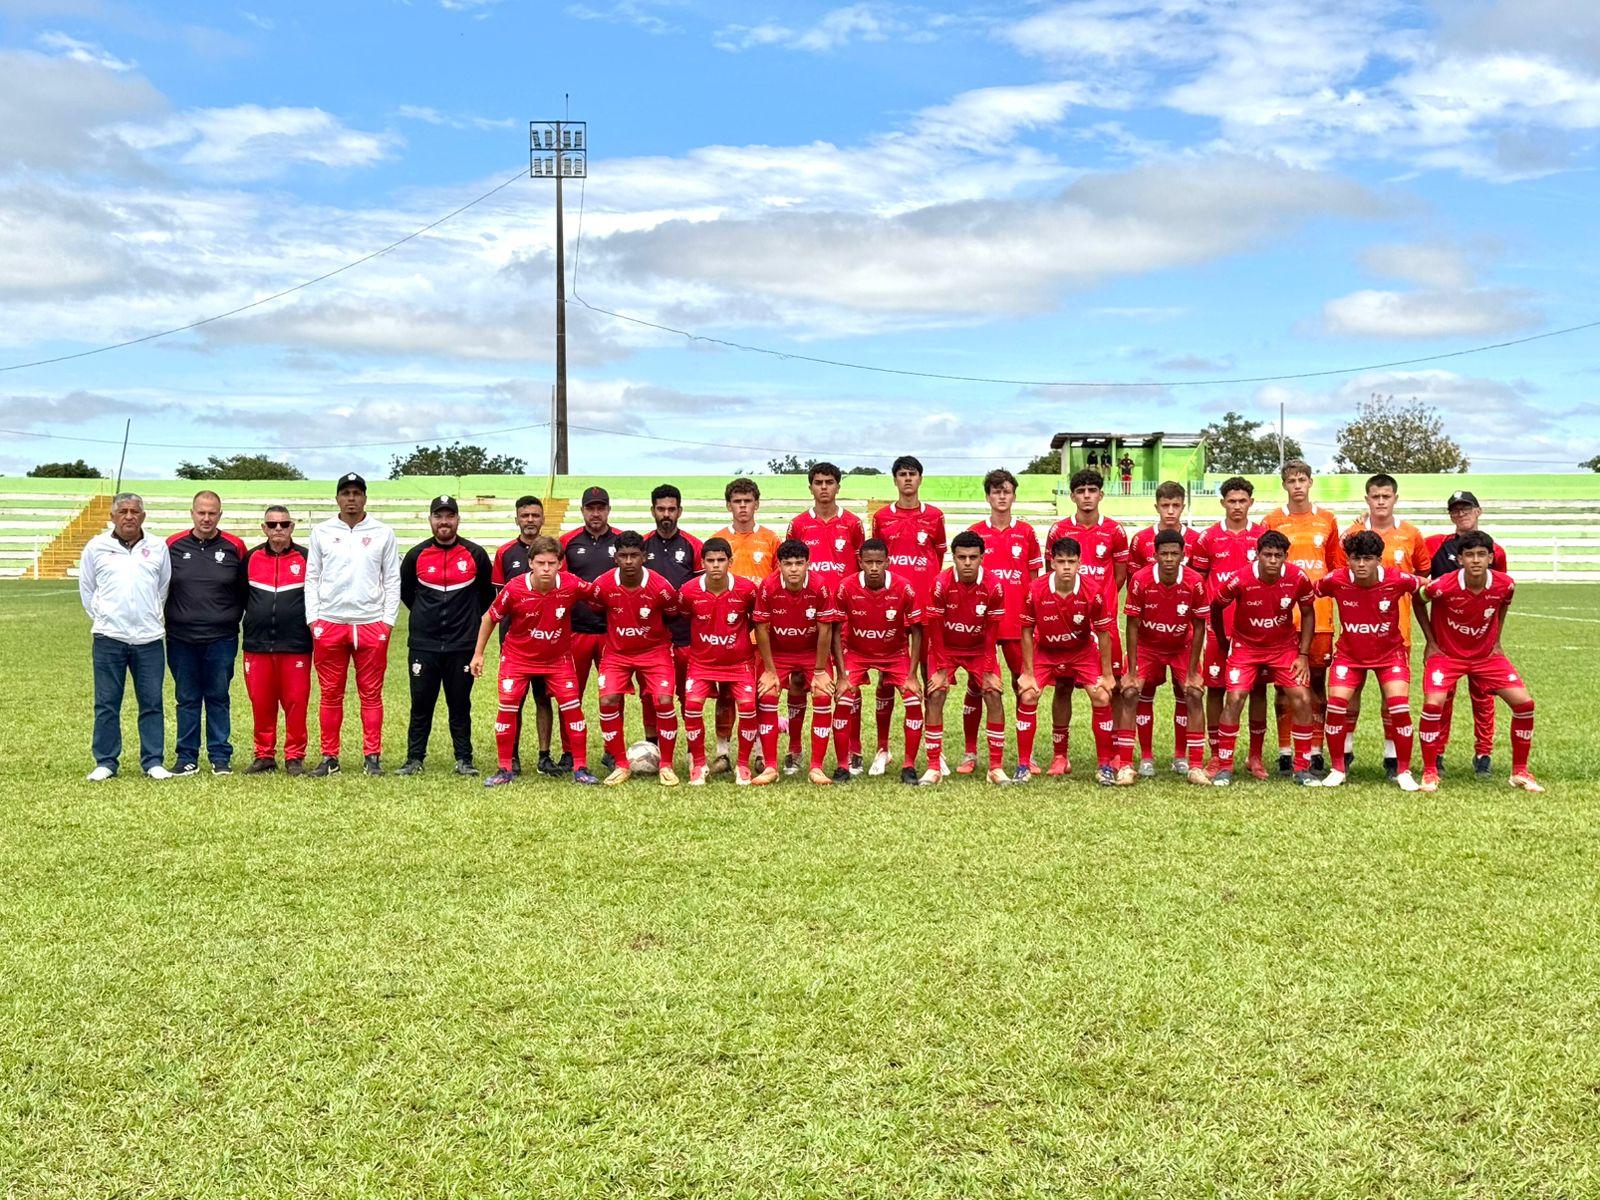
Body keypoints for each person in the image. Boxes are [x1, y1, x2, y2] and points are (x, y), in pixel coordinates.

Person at [1414, 531, 1540, 793]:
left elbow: (1503, 605)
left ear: (1491, 558)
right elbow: (1418, 600)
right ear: (1459, 559)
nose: (1475, 560)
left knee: (1524, 703)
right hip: (1447, 656)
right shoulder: (1441, 586)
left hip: (1485, 657)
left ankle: (1520, 771)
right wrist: (1431, 641)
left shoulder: (1505, 584)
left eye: (1481, 554)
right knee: (1433, 703)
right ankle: (1429, 772)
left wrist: (1496, 640)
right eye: (1469, 555)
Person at [471, 534, 600, 787]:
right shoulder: (515, 588)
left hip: (557, 659)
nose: (546, 569)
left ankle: (580, 768)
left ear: (560, 563)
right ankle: (504, 769)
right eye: (540, 563)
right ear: (530, 562)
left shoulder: (571, 584)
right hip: (517, 658)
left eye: (551, 563)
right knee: (507, 707)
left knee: (572, 707)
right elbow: (489, 618)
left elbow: (600, 593)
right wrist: (478, 654)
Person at [304, 472, 401, 777]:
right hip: (330, 623)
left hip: (371, 624)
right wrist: (314, 620)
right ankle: (329, 757)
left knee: (371, 694)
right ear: (337, 498)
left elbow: (392, 579)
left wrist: (387, 622)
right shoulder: (321, 532)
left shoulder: (383, 532)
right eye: (345, 493)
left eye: (357, 493)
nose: (351, 498)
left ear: (365, 498)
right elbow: (312, 577)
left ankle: (372, 756)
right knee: (330, 694)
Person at [1208, 530, 1320, 787]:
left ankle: (1302, 768)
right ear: (1257, 554)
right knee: (1234, 698)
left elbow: (1308, 613)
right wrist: (1225, 641)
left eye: (1277, 556)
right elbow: (1216, 605)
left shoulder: (1297, 577)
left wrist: (1303, 654)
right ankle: (1225, 766)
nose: (1272, 560)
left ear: (1285, 557)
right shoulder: (1240, 579)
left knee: (1302, 697)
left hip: (1283, 648)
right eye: (1267, 555)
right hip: (1245, 648)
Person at [1313, 530, 1423, 791]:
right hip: (1349, 656)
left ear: (1378, 560)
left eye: (1368, 558)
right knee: (1338, 705)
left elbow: (1430, 589)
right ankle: (1338, 768)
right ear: (1348, 560)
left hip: (1389, 655)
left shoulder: (1397, 579)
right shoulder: (1336, 580)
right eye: (1356, 558)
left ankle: (1403, 771)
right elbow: (1307, 594)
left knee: (1398, 706)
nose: (1362, 564)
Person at [1340, 473, 1431, 778]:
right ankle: (1346, 752)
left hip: (1396, 632)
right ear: (1366, 499)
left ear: (1395, 498)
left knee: (1393, 698)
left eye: (1386, 496)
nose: (1380, 502)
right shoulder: (1351, 533)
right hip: (1355, 633)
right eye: (1375, 496)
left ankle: (1393, 758)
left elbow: (1423, 576)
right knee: (1350, 697)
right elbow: (1341, 578)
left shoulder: (1411, 534)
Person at [80, 492, 174, 780]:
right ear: (112, 516)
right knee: (107, 702)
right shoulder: (96, 547)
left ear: (143, 516)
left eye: (135, 511)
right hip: (109, 638)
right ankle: (106, 762)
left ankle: (153, 761)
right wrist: (106, 618)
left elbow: (163, 587)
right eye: (123, 511)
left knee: (152, 702)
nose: (129, 516)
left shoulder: (158, 546)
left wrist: (148, 616)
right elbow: (87, 589)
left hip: (148, 639)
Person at [398, 495, 493, 777]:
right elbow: (407, 593)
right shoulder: (416, 555)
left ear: (457, 520)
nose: (444, 521)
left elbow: (487, 596)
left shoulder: (475, 554)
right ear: (430, 520)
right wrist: (426, 619)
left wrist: (465, 624)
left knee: (460, 704)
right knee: (421, 704)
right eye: (438, 516)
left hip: (461, 645)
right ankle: (414, 759)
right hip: (423, 645)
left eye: (449, 516)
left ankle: (464, 759)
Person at [1263, 460, 1345, 774]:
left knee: (1317, 686)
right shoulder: (1272, 520)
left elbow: (1336, 566)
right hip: (1282, 616)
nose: (1297, 486)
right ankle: (1285, 751)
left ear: (1311, 482)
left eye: (1302, 480)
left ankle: (1315, 750)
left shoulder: (1327, 520)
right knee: (1283, 688)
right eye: (1291, 481)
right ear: (1284, 485)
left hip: (1319, 615)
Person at [1045, 469, 1129, 774]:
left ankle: (1116, 752)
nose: (1087, 496)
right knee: (1063, 686)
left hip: (1101, 621)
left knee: (1114, 685)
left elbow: (1119, 575)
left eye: (1092, 490)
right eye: (1081, 491)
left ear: (1101, 494)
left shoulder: (1116, 532)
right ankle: (1060, 755)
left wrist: (1101, 600)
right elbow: (1049, 572)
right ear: (1073, 496)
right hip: (1066, 621)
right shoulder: (1058, 530)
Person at [1015, 537, 1117, 785]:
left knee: (1102, 695)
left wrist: (1107, 674)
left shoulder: (1093, 590)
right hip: (1046, 651)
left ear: (1080, 562)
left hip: (1081, 651)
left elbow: (1104, 633)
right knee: (1028, 694)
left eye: (1072, 561)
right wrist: (1027, 672)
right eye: (1061, 562)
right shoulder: (1036, 589)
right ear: (1052, 563)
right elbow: (1027, 631)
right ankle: (1025, 765)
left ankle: (1104, 765)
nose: (1067, 567)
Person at [785, 462, 864, 773]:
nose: (824, 487)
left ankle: (854, 750)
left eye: (830, 482)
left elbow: (861, 568)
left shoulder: (854, 525)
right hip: (805, 617)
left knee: (847, 684)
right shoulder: (798, 524)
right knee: (797, 681)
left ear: (838, 486)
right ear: (810, 487)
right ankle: (794, 750)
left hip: (844, 617)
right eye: (818, 482)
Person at [962, 468, 1043, 775]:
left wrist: (1034, 620)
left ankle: (1028, 754)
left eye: (1006, 491)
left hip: (1016, 625)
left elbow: (1035, 581)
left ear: (1013, 495)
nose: (1001, 496)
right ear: (988, 496)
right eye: (996, 492)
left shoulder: (1026, 533)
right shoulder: (974, 533)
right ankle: (971, 753)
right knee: (977, 687)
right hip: (981, 625)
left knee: (1024, 685)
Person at [869, 455, 946, 776]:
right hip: (889, 612)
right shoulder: (882, 517)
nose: (908, 480)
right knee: (887, 679)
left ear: (921, 478)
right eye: (902, 474)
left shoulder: (935, 516)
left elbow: (939, 555)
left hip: (925, 612)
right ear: (895, 480)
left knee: (928, 678)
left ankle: (933, 749)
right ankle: (883, 749)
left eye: (912, 474)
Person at [1190, 478, 1270, 779]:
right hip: (1217, 629)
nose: (1237, 506)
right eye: (1231, 501)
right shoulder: (1207, 538)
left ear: (1251, 502)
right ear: (1222, 502)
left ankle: (1255, 756)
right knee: (1216, 688)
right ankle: (1215, 755)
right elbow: (1197, 582)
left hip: (1256, 631)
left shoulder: (1263, 537)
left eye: (1242, 500)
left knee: (1258, 690)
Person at [164, 490, 247, 775]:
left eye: (212, 513)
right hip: (180, 638)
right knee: (187, 698)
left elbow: (245, 590)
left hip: (222, 638)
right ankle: (186, 757)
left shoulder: (235, 546)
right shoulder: (172, 545)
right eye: (201, 512)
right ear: (192, 513)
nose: (206, 518)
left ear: (220, 515)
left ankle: (220, 756)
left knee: (218, 696)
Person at [1424, 490, 1507, 777]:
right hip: (1446, 640)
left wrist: (1496, 639)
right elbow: (1422, 584)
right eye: (1456, 510)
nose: (1461, 514)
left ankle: (1483, 754)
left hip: (1481, 640)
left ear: (1479, 511)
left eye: (1466, 508)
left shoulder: (1494, 550)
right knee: (1442, 697)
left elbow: (1500, 593)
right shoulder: (1434, 545)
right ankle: (1437, 753)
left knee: (1483, 696)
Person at [590, 530, 681, 786]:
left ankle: (667, 765)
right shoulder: (603, 585)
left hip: (655, 651)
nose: (629, 561)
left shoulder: (661, 587)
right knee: (607, 699)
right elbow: (596, 606)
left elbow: (672, 613)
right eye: (623, 556)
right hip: (617, 653)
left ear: (644, 557)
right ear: (615, 558)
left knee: (663, 700)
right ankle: (620, 764)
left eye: (634, 555)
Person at [1120, 529, 1211, 786]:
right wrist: (1133, 670)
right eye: (1164, 553)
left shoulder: (1194, 581)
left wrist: (1193, 671)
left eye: (1174, 553)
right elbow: (1132, 625)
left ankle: (1193, 764)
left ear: (1183, 554)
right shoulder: (1140, 580)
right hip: (1148, 646)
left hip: (1181, 646)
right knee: (1129, 692)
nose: (1169, 558)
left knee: (1193, 693)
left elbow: (1199, 625)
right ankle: (1131, 763)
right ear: (1155, 555)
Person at [832, 539, 925, 786]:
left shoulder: (904, 588)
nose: (874, 567)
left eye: (879, 562)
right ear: (860, 562)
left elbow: (917, 630)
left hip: (895, 654)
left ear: (887, 562)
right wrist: (841, 676)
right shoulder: (845, 588)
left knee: (914, 700)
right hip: (856, 653)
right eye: (868, 562)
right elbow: (835, 629)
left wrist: (913, 674)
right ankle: (843, 765)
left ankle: (909, 765)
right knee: (843, 699)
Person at [922, 530, 1009, 785]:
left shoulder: (994, 586)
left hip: (979, 650)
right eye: (962, 557)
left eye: (973, 557)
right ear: (954, 557)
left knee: (993, 693)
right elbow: (934, 629)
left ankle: (995, 767)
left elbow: (992, 631)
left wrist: (990, 668)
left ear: (982, 557)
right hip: (945, 649)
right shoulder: (940, 583)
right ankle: (933, 766)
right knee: (936, 693)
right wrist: (939, 669)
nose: (967, 563)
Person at [1125, 480, 1201, 771]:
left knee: (1187, 693)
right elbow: (1135, 581)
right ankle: (1145, 757)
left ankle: (1182, 756)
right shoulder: (1141, 539)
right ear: (1156, 506)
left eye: (1176, 505)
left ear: (1183, 506)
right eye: (1165, 505)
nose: (1170, 511)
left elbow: (1198, 582)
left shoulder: (1196, 539)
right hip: (1149, 634)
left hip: (1183, 631)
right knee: (1144, 692)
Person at [679, 537, 767, 785]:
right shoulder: (688, 591)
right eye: (710, 561)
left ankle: (742, 765)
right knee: (692, 706)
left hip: (739, 663)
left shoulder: (747, 589)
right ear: (702, 562)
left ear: (730, 561)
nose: (715, 565)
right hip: (701, 663)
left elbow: (756, 619)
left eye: (721, 560)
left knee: (748, 706)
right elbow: (686, 615)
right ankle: (698, 765)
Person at [753, 539, 840, 785]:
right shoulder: (768, 587)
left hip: (812, 653)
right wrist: (769, 670)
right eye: (788, 563)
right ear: (779, 564)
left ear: (807, 564)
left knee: (823, 695)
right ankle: (770, 766)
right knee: (768, 694)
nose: (793, 569)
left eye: (799, 563)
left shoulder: (820, 587)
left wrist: (821, 670)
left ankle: (817, 767)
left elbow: (826, 630)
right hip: (779, 653)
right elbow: (761, 628)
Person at [711, 477, 782, 771]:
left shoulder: (771, 540)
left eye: (748, 501)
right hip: (727, 633)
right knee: (726, 693)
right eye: (737, 502)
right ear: (729, 505)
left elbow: (777, 585)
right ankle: (723, 753)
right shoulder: (717, 540)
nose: (743, 507)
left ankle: (758, 752)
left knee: (757, 693)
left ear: (757, 504)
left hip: (759, 633)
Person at [490, 495, 561, 776]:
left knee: (544, 699)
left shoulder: (553, 553)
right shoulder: (505, 552)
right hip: (515, 642)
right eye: (525, 515)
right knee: (513, 701)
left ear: (543, 518)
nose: (530, 520)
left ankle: (544, 756)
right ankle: (513, 756)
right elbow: (497, 601)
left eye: (535, 515)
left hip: (547, 642)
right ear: (516, 518)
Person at [241, 505, 312, 775]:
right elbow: (241, 596)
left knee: (295, 703)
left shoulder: (307, 558)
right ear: (264, 528)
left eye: (284, 524)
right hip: (257, 645)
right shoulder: (251, 558)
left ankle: (295, 757)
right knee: (261, 702)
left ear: (292, 527)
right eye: (272, 525)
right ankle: (264, 755)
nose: (278, 529)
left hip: (295, 645)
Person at [643, 483, 704, 756]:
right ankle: (653, 749)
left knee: (687, 695)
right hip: (651, 637)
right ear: (653, 511)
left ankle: (693, 753)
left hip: (685, 635)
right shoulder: (641, 546)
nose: (666, 514)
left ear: (679, 511)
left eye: (671, 509)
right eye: (660, 509)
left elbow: (701, 591)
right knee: (651, 695)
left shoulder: (694, 546)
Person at [560, 486, 624, 709]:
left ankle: (613, 745)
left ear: (608, 510)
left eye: (600, 508)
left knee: (613, 696)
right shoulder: (567, 542)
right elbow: (561, 587)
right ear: (582, 510)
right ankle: (570, 745)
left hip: (612, 631)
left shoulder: (622, 541)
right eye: (590, 508)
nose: (595, 513)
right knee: (570, 696)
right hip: (576, 631)